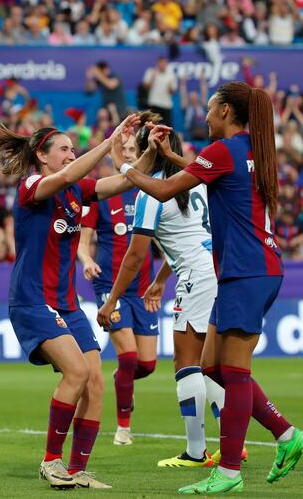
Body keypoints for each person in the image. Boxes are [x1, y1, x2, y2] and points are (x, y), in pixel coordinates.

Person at [107, 81, 303, 495]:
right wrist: (167, 155)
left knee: (233, 373)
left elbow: (165, 189)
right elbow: (210, 170)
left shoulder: (223, 151)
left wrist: (125, 168)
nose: (204, 115)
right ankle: (287, 434)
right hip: (253, 268)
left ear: (224, 113)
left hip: (244, 271)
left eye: (210, 109)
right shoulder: (252, 149)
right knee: (212, 367)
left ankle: (230, 470)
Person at [0, 114, 155, 490]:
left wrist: (150, 152)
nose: (69, 154)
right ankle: (51, 461)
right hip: (32, 301)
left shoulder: (78, 192)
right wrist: (108, 141)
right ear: (42, 156)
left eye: (72, 150)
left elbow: (127, 179)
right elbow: (65, 176)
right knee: (76, 373)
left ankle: (77, 469)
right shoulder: (33, 184)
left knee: (95, 382)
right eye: (63, 149)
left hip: (67, 304)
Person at [97, 123, 229, 469]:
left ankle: (196, 451)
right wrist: (158, 281)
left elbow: (136, 254)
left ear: (147, 152)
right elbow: (187, 238)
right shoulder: (195, 182)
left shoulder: (150, 194)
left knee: (187, 364)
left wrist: (111, 300)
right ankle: (233, 447)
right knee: (212, 367)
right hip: (221, 270)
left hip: (197, 279)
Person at [78, 112, 161, 447]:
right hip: (110, 287)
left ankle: (122, 379)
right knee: (128, 357)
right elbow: (83, 243)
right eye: (123, 148)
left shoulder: (150, 191)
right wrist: (85, 260)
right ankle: (123, 428)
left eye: (131, 148)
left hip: (143, 290)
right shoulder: (100, 194)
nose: (127, 153)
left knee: (148, 364)